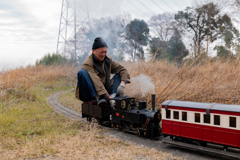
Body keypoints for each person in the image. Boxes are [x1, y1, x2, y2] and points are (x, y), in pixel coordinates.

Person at [75, 37, 131, 106]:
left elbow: (122, 69)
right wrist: (107, 97)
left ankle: (114, 97)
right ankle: (97, 99)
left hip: (105, 89)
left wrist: (122, 85)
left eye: (105, 52)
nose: (104, 54)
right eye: (101, 52)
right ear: (93, 51)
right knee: (82, 72)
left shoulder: (108, 60)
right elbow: (96, 81)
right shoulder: (88, 63)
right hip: (93, 92)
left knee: (119, 75)